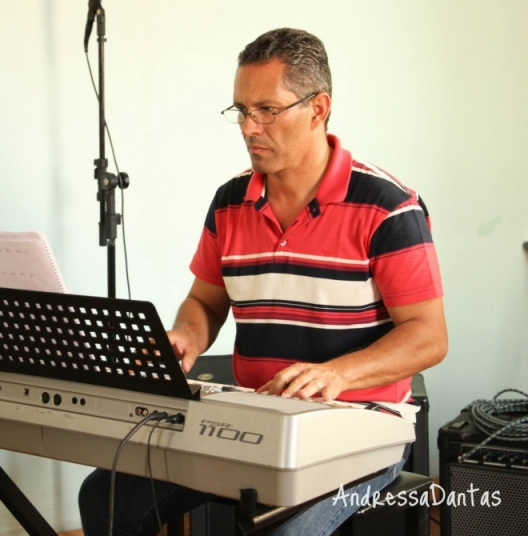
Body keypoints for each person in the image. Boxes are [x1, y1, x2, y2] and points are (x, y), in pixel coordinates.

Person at [79, 28, 447, 536]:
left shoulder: (388, 207)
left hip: (361, 431)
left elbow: (428, 335)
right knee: (106, 493)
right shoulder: (230, 202)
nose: (249, 127)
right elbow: (204, 302)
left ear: (319, 108)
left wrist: (337, 374)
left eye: (267, 110)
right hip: (256, 422)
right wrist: (185, 334)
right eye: (240, 110)